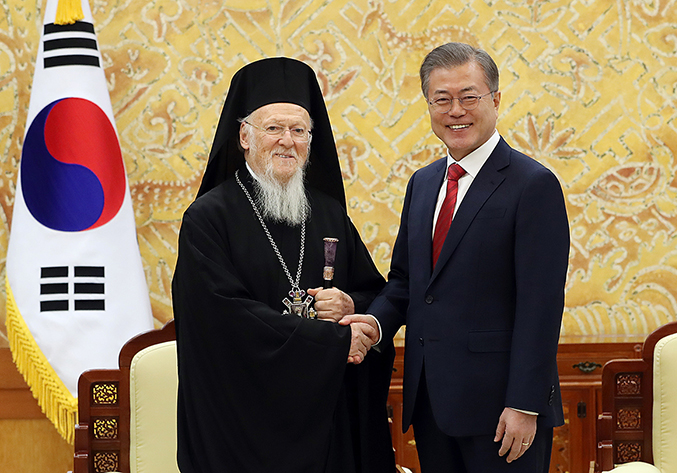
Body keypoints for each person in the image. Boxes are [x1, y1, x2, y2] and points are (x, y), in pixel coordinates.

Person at [342, 42, 570, 472]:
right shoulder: (424, 184)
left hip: (503, 414)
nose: (455, 110)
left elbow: (541, 306)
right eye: (442, 99)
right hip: (432, 405)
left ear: (496, 100)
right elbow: (407, 284)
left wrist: (524, 403)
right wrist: (372, 325)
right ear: (428, 105)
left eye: (469, 97)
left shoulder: (532, 185)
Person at [172, 57, 396, 473]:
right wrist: (331, 344)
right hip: (242, 427)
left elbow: (374, 291)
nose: (287, 141)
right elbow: (222, 318)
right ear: (244, 135)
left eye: (299, 130)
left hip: (326, 420)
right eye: (273, 127)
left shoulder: (328, 214)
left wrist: (351, 306)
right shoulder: (208, 217)